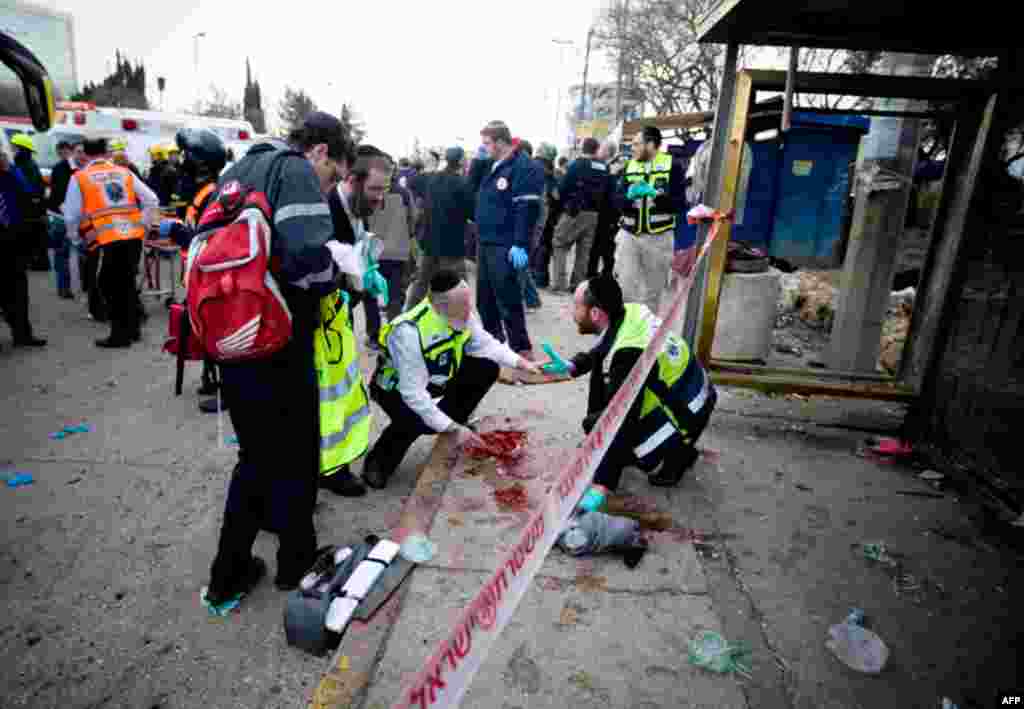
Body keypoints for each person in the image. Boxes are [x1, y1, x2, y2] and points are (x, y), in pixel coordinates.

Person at [201, 111, 384, 611]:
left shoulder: (236, 172)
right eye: (332, 174)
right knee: (298, 453)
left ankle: (229, 574)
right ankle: (294, 563)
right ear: (322, 152)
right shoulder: (295, 169)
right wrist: (345, 271)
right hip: (278, 337)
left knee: (256, 456)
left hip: (229, 335)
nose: (326, 185)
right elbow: (305, 258)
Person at [543, 274, 716, 513]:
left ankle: (676, 455)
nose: (572, 312)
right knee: (601, 412)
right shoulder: (627, 313)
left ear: (595, 314)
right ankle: (671, 445)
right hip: (692, 392)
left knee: (611, 430)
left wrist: (602, 484)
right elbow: (604, 347)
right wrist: (574, 365)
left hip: (689, 408)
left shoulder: (628, 357)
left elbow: (621, 420)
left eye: (576, 306)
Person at [362, 270, 542, 489]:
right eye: (464, 305)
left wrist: (522, 363)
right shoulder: (408, 332)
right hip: (396, 390)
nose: (470, 311)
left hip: (437, 376)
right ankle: (378, 463)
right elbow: (414, 395)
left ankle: (455, 420)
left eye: (469, 303)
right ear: (441, 306)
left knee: (486, 368)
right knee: (414, 419)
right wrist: (452, 428)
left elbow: (485, 344)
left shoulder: (462, 313)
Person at [63, 137, 159, 347]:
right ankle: (132, 329)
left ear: (86, 154)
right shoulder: (124, 172)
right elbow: (152, 200)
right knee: (126, 282)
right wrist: (143, 226)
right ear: (106, 152)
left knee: (108, 286)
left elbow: (71, 215)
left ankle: (119, 335)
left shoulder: (80, 177)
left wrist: (75, 238)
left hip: (105, 239)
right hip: (132, 237)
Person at [161, 128, 230, 413]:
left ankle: (225, 387)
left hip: (209, 277)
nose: (182, 160)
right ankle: (210, 377)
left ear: (201, 162)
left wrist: (178, 234)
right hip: (197, 275)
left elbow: (212, 243)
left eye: (187, 155)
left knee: (217, 332)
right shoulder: (201, 192)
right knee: (206, 331)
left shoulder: (213, 195)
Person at [474, 120, 544, 358]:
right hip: (486, 241)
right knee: (485, 301)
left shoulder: (524, 166)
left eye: (486, 144)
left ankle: (521, 352)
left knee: (508, 301)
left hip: (505, 244)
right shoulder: (494, 165)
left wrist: (520, 243)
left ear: (501, 142)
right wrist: (478, 161)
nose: (484, 148)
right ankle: (496, 349)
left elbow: (526, 207)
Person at [613, 125, 686, 316]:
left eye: (637, 144)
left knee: (652, 293)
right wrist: (627, 197)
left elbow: (679, 205)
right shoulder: (629, 166)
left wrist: (655, 195)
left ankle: (646, 337)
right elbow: (616, 201)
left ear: (651, 144)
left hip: (659, 238)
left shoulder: (674, 166)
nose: (633, 148)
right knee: (625, 287)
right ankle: (625, 330)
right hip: (629, 236)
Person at [405, 146, 473, 309]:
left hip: (430, 241)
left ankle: (409, 314)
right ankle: (460, 319)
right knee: (458, 286)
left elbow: (415, 186)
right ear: (461, 161)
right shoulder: (462, 183)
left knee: (422, 282)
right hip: (452, 244)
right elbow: (471, 212)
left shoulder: (432, 179)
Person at [364, 154, 417, 349]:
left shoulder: (367, 190)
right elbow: (413, 218)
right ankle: (394, 334)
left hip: (373, 252)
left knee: (370, 294)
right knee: (395, 295)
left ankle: (373, 336)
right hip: (398, 252)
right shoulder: (403, 192)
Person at [550, 137, 610, 293]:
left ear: (583, 148)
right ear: (596, 149)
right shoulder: (604, 167)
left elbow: (563, 188)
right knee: (584, 251)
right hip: (594, 214)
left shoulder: (576, 165)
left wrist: (563, 205)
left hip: (574, 211)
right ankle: (577, 284)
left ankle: (559, 284)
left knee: (559, 243)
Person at [0, 147, 47, 346]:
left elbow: (27, 196)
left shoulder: (11, 177)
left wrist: (11, 171)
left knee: (18, 291)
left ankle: (22, 334)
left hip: (13, 240)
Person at [10, 133, 48, 271]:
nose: (12, 149)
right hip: (31, 206)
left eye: (14, 147)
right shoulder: (27, 163)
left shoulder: (25, 165)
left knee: (29, 235)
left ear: (21, 149)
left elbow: (29, 188)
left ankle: (34, 261)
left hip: (29, 207)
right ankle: (35, 261)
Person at [47, 140, 78, 299]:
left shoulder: (70, 168)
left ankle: (68, 288)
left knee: (65, 253)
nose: (64, 154)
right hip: (62, 216)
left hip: (65, 215)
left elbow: (57, 193)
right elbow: (58, 193)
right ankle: (64, 288)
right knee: (62, 253)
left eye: (66, 151)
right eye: (62, 151)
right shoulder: (64, 169)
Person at [588, 139, 620, 278]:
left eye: (601, 148)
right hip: (602, 213)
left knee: (606, 247)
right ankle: (593, 273)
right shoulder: (604, 166)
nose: (598, 151)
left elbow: (612, 193)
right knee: (597, 246)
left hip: (609, 215)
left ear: (607, 151)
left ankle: (605, 274)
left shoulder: (615, 168)